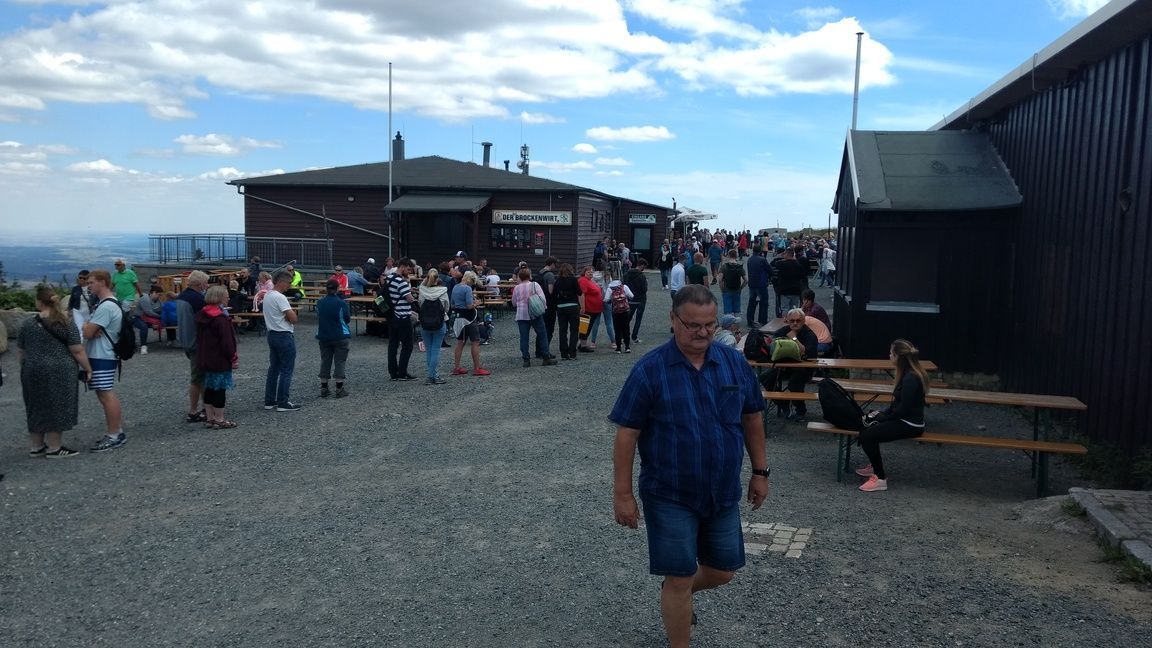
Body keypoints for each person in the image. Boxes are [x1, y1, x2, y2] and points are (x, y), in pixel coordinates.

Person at [610, 284, 768, 648]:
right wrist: (622, 494)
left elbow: (753, 418)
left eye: (710, 325)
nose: (702, 332)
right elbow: (627, 434)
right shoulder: (649, 370)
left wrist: (760, 472)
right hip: (669, 494)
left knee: (724, 570)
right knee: (681, 577)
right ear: (673, 319)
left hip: (722, 491)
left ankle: (675, 590)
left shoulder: (733, 363)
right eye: (693, 324)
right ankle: (678, 616)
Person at [18, 287, 91, 458]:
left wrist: (26, 365)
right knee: (58, 404)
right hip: (59, 369)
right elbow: (77, 350)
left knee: (35, 405)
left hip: (32, 369)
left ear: (39, 302)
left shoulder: (27, 323)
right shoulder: (65, 322)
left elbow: (21, 351)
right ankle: (54, 447)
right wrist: (88, 368)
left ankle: (36, 446)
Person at [856, 340, 928, 492]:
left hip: (911, 425)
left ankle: (880, 478)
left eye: (891, 353)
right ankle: (875, 466)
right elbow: (897, 405)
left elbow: (903, 410)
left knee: (868, 436)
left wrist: (883, 418)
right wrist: (881, 414)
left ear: (898, 356)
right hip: (903, 420)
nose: (889, 355)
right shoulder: (907, 374)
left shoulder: (911, 378)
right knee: (866, 427)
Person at [82, 270, 127, 452]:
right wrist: (91, 327)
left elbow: (86, 332)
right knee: (103, 393)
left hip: (102, 354)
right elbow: (92, 330)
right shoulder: (108, 304)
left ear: (102, 282)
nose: (88, 285)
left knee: (106, 394)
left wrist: (87, 326)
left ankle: (114, 434)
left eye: (91, 282)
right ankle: (116, 432)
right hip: (103, 354)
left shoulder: (106, 307)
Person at [759, 308, 819, 422]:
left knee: (793, 385)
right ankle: (783, 404)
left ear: (803, 321)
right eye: (792, 321)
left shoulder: (809, 334)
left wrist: (794, 338)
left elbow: (808, 353)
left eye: (798, 321)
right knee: (765, 378)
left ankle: (801, 410)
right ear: (788, 321)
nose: (795, 323)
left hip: (804, 368)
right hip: (784, 367)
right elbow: (773, 347)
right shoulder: (782, 331)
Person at [196, 285, 239, 429]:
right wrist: (233, 357)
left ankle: (210, 418)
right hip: (219, 359)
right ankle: (219, 419)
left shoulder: (203, 315)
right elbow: (227, 342)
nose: (228, 298)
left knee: (209, 387)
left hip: (206, 357)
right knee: (220, 388)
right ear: (220, 298)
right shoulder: (220, 319)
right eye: (226, 296)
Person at [262, 270, 300, 411]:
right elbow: (293, 319)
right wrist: (290, 314)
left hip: (272, 334)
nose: (289, 286)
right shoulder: (280, 297)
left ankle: (270, 400)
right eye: (289, 283)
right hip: (284, 335)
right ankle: (283, 402)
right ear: (281, 282)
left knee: (274, 369)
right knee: (286, 369)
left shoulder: (267, 296)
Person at [176, 270, 209, 424]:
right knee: (197, 378)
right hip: (197, 342)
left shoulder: (182, 296)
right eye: (205, 283)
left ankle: (203, 407)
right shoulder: (198, 300)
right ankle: (194, 411)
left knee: (199, 377)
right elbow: (205, 321)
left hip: (186, 340)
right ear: (200, 284)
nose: (207, 286)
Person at [511, 268, 557, 367]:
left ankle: (526, 359)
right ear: (529, 275)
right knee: (542, 334)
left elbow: (514, 302)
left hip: (521, 315)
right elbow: (542, 298)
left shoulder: (517, 288)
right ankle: (546, 357)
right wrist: (543, 308)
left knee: (524, 337)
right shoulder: (534, 285)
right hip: (535, 314)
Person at [315, 278, 351, 398]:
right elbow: (347, 319)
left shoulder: (319, 303)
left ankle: (324, 387)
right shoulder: (341, 303)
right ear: (338, 288)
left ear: (326, 288)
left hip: (324, 335)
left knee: (325, 360)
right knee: (340, 361)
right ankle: (339, 388)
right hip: (340, 335)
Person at [450, 271, 491, 376]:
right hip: (469, 318)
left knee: (460, 343)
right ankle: (477, 368)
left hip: (459, 318)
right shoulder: (467, 289)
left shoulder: (455, 287)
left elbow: (453, 304)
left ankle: (457, 367)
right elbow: (469, 306)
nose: (472, 285)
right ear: (471, 280)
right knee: (475, 342)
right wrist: (476, 303)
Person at [416, 269, 450, 385]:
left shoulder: (422, 291)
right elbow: (446, 308)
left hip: (425, 323)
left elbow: (420, 304)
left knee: (429, 351)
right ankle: (432, 376)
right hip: (439, 322)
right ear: (437, 280)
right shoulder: (443, 291)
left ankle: (432, 375)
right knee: (435, 350)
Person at [387, 258, 417, 381]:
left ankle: (393, 372)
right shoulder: (401, 282)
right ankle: (403, 372)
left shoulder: (389, 278)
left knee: (393, 345)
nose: (409, 272)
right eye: (408, 269)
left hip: (391, 316)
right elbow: (409, 299)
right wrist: (412, 294)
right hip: (403, 316)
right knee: (407, 345)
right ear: (403, 267)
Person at [553, 264, 582, 360]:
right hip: (573, 306)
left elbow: (554, 295)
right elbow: (579, 292)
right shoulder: (573, 280)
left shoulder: (558, 280)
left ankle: (564, 353)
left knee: (562, 330)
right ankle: (572, 353)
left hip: (561, 307)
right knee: (574, 330)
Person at [772, 248, 807, 316]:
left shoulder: (781, 264)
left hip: (784, 289)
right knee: (794, 309)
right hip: (796, 290)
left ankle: (785, 323)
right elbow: (803, 277)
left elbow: (774, 265)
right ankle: (793, 322)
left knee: (785, 308)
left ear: (786, 255)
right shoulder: (798, 265)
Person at [577, 265, 604, 353]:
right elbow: (581, 294)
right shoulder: (583, 281)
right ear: (584, 272)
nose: (590, 273)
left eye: (592, 272)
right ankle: (583, 345)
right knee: (584, 326)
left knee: (588, 326)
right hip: (588, 308)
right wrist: (582, 307)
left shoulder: (590, 280)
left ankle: (582, 343)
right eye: (588, 272)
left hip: (594, 309)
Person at [606, 275, 635, 354]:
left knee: (617, 329)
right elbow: (632, 296)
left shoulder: (610, 289)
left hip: (616, 312)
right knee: (626, 328)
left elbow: (606, 300)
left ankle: (618, 347)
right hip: (625, 311)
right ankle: (627, 347)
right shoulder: (624, 287)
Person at [131, 285, 163, 354]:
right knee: (144, 327)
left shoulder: (158, 300)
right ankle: (143, 346)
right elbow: (148, 312)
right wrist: (161, 317)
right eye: (159, 295)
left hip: (150, 318)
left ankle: (171, 339)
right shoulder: (145, 298)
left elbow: (161, 309)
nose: (160, 297)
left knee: (168, 321)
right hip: (138, 317)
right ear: (154, 292)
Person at [623, 258, 648, 345]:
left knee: (628, 318)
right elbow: (644, 289)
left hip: (630, 299)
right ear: (642, 265)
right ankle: (634, 336)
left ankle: (623, 335)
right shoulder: (642, 276)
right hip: (640, 299)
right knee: (638, 319)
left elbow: (624, 285)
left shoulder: (627, 274)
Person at [746, 245, 771, 327]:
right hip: (761, 284)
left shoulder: (749, 259)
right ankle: (762, 321)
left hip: (752, 284)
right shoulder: (762, 260)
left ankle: (750, 321)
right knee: (764, 303)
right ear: (760, 251)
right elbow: (769, 270)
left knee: (752, 303)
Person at [536, 256, 558, 347]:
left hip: (539, 303)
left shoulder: (540, 273)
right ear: (552, 264)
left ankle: (538, 350)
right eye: (555, 264)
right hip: (549, 305)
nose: (556, 267)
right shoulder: (550, 275)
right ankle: (545, 350)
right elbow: (550, 291)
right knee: (549, 329)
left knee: (541, 328)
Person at [718, 249, 746, 316]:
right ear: (736, 256)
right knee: (736, 312)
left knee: (728, 312)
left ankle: (728, 324)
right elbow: (746, 280)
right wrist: (741, 288)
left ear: (728, 255)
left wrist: (722, 289)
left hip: (727, 289)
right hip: (737, 289)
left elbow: (720, 280)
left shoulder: (724, 267)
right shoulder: (740, 267)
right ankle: (736, 324)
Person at [67, 270, 95, 334]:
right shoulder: (75, 289)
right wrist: (69, 309)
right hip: (78, 311)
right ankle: (81, 342)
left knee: (89, 329)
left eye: (84, 278)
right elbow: (72, 300)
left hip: (89, 312)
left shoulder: (92, 288)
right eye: (80, 278)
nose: (82, 279)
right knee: (79, 329)